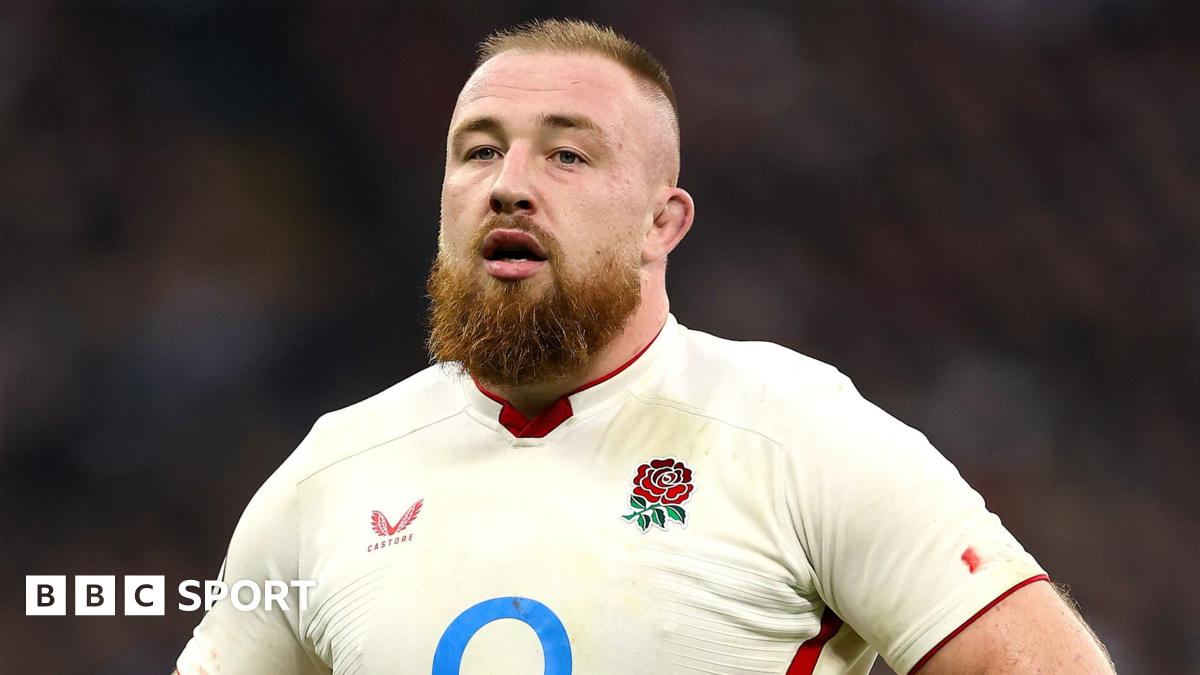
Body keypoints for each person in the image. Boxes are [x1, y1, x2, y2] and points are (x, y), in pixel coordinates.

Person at [175, 19, 1114, 675]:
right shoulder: (330, 474)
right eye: (476, 150)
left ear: (662, 222)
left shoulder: (793, 432)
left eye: (567, 154)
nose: (508, 185)